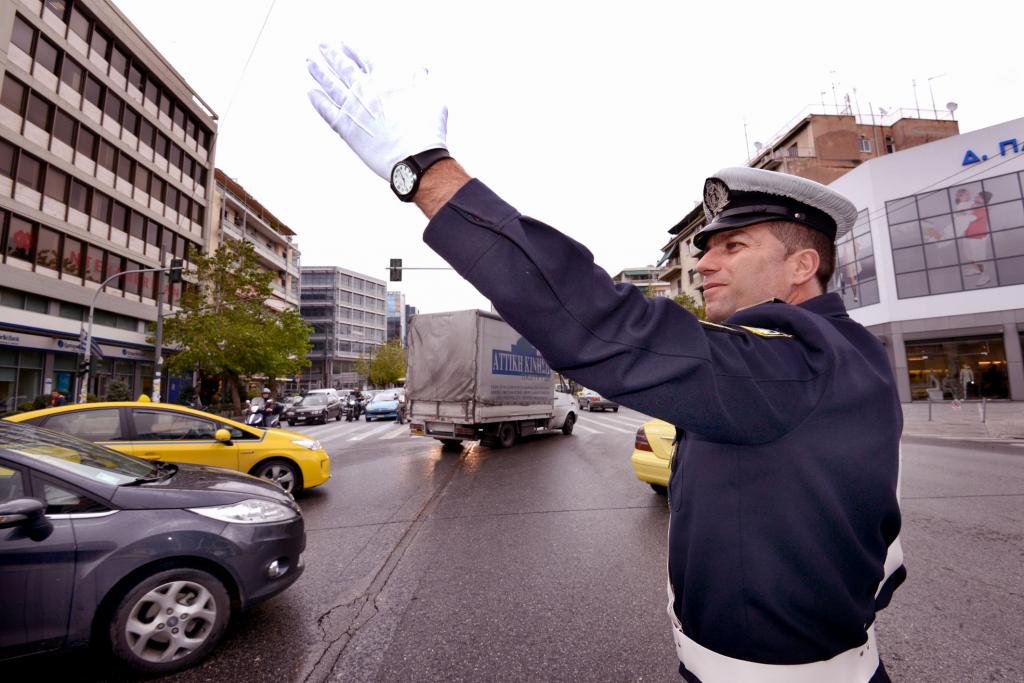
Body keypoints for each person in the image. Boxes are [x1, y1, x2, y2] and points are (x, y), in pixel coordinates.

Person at [306, 42, 904, 682]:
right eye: (705, 248)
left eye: (733, 245)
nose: (703, 264)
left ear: (802, 265)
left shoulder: (797, 363)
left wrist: (425, 172)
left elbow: (602, 322)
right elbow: (882, 540)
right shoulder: (844, 356)